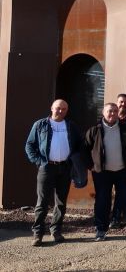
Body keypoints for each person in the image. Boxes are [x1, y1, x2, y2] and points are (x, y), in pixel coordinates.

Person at [25, 99, 83, 246]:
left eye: (64, 109)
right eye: (58, 108)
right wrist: (38, 161)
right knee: (42, 202)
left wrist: (74, 161)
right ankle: (37, 233)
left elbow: (79, 145)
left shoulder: (71, 126)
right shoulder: (40, 125)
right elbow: (29, 145)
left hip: (64, 168)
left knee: (61, 202)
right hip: (46, 167)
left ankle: (56, 231)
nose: (60, 111)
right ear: (51, 108)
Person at [84, 103, 126, 241]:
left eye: (115, 111)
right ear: (103, 113)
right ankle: (101, 230)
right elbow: (84, 150)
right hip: (102, 173)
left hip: (122, 172)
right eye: (109, 111)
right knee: (102, 201)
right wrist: (92, 166)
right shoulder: (94, 130)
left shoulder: (125, 130)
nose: (112, 114)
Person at [110, 93, 126, 229]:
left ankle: (118, 217)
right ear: (117, 103)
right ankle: (110, 216)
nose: (123, 105)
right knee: (109, 192)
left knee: (122, 191)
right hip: (109, 161)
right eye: (121, 102)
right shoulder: (108, 118)